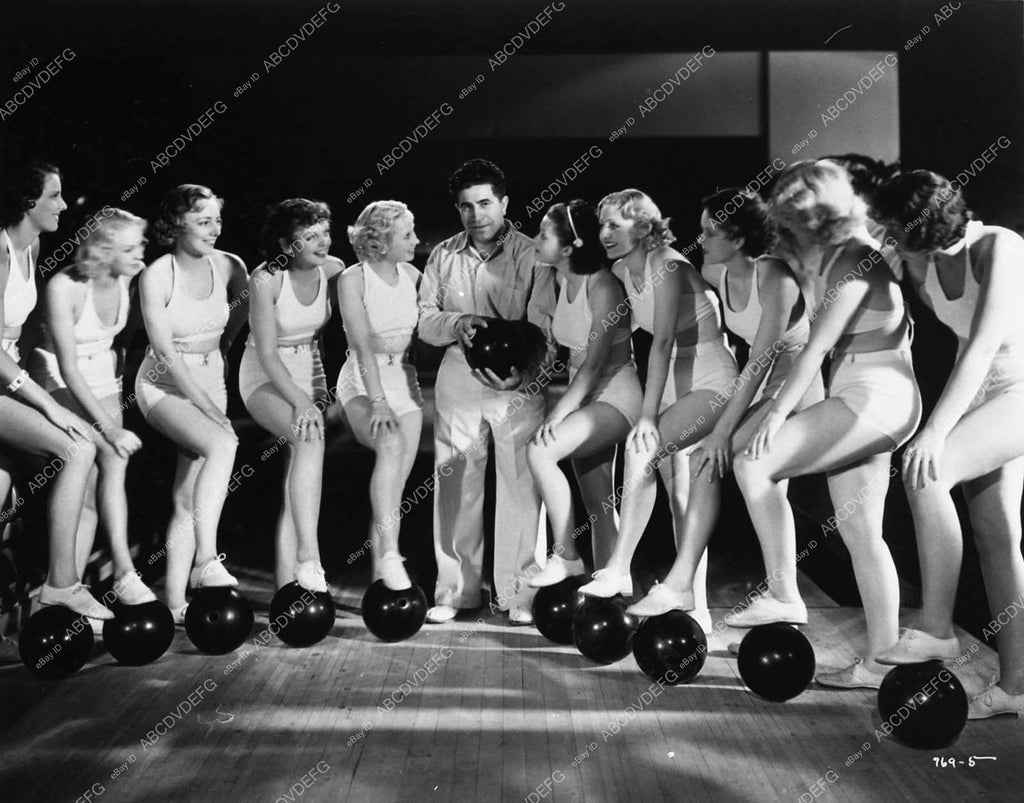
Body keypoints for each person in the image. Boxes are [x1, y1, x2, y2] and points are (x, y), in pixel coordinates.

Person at [736, 160, 921, 689]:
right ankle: (881, 660)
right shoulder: (833, 256)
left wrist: (775, 415)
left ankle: (783, 593)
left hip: (877, 397)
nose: (788, 231)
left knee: (754, 464)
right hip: (864, 394)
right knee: (861, 533)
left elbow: (815, 350)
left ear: (819, 215)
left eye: (794, 221)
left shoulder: (855, 258)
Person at [624, 188, 824, 627]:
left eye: (712, 232)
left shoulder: (775, 277)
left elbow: (761, 360)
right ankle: (697, 586)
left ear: (738, 236)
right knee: (713, 467)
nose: (703, 240)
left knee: (728, 464)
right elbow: (709, 322)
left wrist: (721, 430)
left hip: (794, 387)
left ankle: (780, 594)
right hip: (760, 386)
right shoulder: (715, 271)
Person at [873, 170, 1024, 718]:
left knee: (927, 472)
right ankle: (1017, 687)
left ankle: (936, 627)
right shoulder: (921, 262)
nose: (887, 236)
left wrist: (935, 431)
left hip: (1018, 387)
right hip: (981, 392)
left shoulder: (1001, 246)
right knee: (996, 535)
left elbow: (983, 346)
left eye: (893, 228)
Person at [580, 189, 737, 633]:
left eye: (615, 224)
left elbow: (663, 341)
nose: (605, 233)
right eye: (602, 225)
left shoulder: (667, 264)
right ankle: (696, 607)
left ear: (644, 226)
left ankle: (619, 567)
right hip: (669, 384)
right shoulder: (618, 271)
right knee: (679, 498)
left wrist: (646, 417)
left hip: (709, 378)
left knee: (641, 450)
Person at [418, 158, 557, 625]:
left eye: (484, 203)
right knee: (456, 481)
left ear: (504, 203)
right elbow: (424, 320)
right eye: (466, 206)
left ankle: (520, 596)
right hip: (458, 372)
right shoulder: (443, 255)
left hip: (518, 376)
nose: (476, 215)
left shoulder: (533, 254)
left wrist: (526, 376)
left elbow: (544, 327)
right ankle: (456, 592)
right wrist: (457, 322)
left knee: (521, 482)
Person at [0, 160, 109, 622]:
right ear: (28, 202)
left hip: (7, 382)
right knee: (78, 448)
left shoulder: (33, 245)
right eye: (54, 196)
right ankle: (61, 586)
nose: (64, 205)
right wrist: (47, 405)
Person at [135, 184, 248, 624]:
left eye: (217, 219)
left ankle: (176, 603)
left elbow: (238, 315)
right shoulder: (157, 275)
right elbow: (165, 353)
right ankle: (206, 559)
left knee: (188, 495)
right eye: (203, 221)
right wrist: (212, 411)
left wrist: (220, 353)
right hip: (162, 387)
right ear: (176, 224)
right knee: (222, 444)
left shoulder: (230, 265)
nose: (214, 229)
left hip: (209, 380)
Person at [31, 208, 156, 605]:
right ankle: (123, 571)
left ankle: (71, 590)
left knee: (96, 484)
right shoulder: (63, 287)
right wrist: (111, 427)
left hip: (102, 375)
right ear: (102, 251)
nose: (140, 253)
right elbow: (68, 369)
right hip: (58, 379)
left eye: (140, 244)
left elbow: (121, 341)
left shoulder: (130, 277)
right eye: (129, 248)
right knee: (110, 452)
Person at [525, 200, 641, 585]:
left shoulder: (603, 286)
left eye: (544, 235)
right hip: (584, 393)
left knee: (540, 450)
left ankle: (566, 557)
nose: (536, 240)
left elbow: (593, 365)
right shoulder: (561, 280)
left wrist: (557, 415)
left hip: (615, 395)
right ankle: (613, 587)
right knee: (599, 505)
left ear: (569, 246)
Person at [239, 199, 342, 593]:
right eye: (310, 236)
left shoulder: (334, 270)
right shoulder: (265, 279)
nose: (323, 242)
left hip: (310, 372)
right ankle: (309, 557)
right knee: (308, 438)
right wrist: (301, 401)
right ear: (286, 244)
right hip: (265, 375)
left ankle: (288, 584)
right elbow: (267, 354)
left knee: (298, 479)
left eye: (325, 233)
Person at [337, 200, 423, 591]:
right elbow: (361, 347)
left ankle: (381, 578)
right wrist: (377, 401)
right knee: (389, 445)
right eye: (407, 234)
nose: (416, 240)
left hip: (405, 383)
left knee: (393, 489)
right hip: (362, 383)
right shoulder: (353, 279)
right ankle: (391, 555)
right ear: (381, 241)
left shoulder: (415, 276)